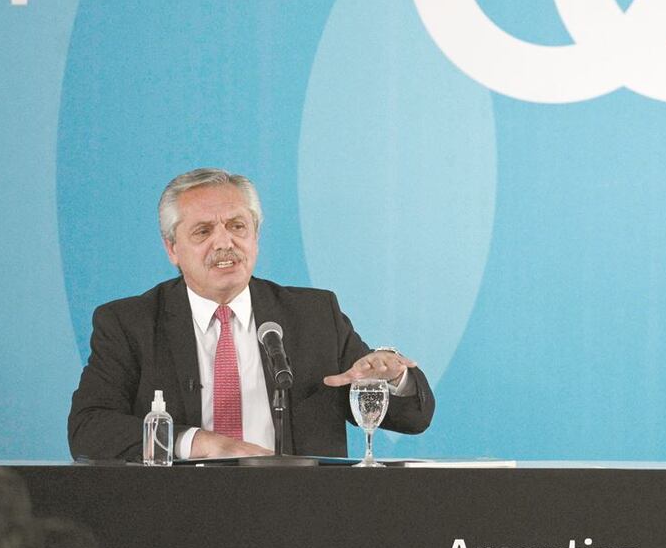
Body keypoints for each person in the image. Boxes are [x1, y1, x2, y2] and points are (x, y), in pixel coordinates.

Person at [68, 168, 434, 460]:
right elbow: (89, 430)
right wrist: (200, 443)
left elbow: (413, 418)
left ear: (256, 235)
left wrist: (390, 380)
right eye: (203, 231)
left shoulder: (313, 315)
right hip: (176, 517)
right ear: (172, 248)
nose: (225, 242)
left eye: (237, 226)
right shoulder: (130, 324)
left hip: (301, 517)